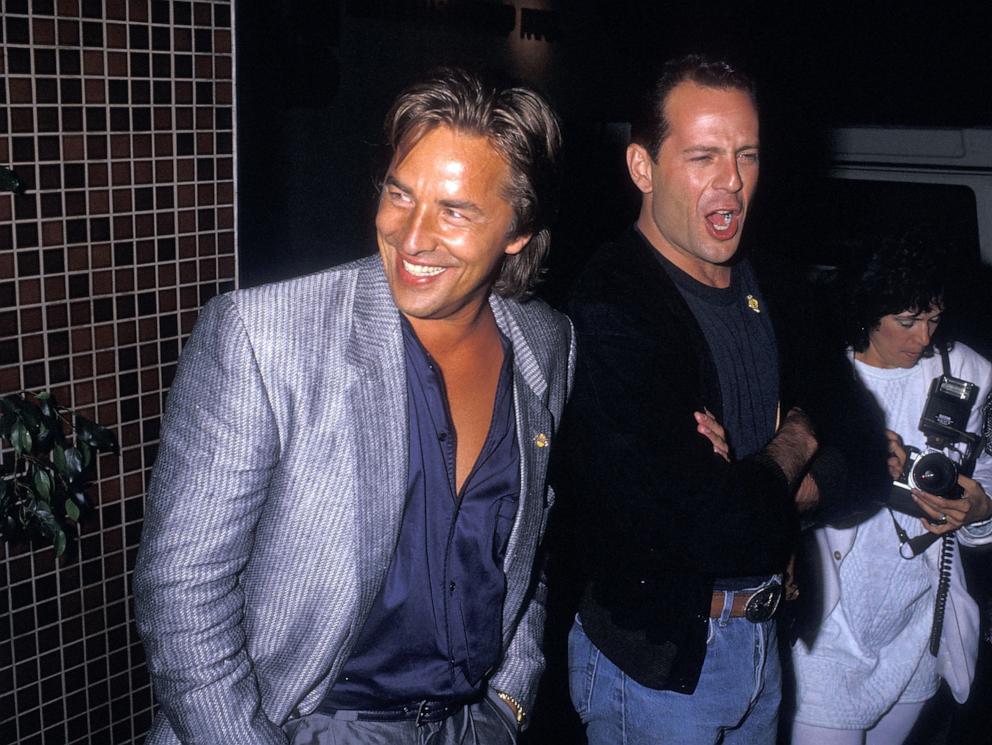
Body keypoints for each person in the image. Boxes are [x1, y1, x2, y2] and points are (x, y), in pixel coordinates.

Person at [133, 67, 574, 745]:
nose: (412, 236)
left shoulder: (545, 343)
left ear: (518, 230)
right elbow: (182, 588)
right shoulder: (266, 337)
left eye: (454, 211)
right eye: (401, 194)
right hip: (298, 725)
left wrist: (511, 699)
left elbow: (530, 546)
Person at [553, 54, 890, 744]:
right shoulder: (612, 304)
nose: (732, 182)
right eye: (703, 156)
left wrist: (759, 482)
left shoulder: (776, 283)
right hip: (660, 670)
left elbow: (865, 449)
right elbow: (703, 525)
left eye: (747, 155)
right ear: (642, 168)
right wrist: (798, 438)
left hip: (765, 644)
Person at [790, 236, 992, 744]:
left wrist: (979, 509)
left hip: (915, 624)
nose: (923, 339)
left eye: (934, 320)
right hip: (830, 629)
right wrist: (855, 457)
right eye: (907, 321)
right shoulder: (821, 376)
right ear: (867, 310)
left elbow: (985, 478)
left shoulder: (966, 372)